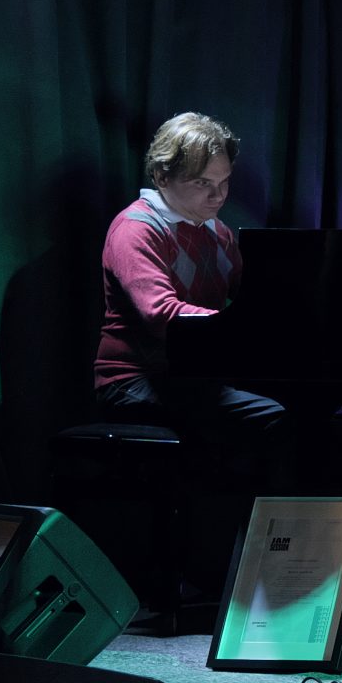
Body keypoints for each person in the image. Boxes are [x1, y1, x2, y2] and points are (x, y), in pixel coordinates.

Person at [95, 111, 286, 459]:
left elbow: (252, 300)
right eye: (202, 183)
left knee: (308, 408)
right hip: (132, 381)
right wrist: (238, 328)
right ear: (162, 176)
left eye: (224, 181)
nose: (219, 195)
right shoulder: (136, 228)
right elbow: (162, 316)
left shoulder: (217, 232)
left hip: (193, 376)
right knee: (272, 417)